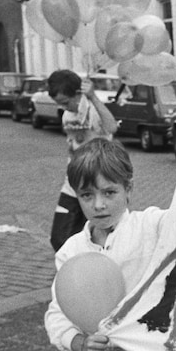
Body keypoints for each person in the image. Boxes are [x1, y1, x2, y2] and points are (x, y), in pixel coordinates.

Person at [44, 139, 176, 351]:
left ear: (128, 188)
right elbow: (57, 312)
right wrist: (77, 342)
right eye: (87, 195)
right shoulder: (71, 251)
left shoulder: (150, 226)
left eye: (109, 192)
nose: (99, 205)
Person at [48, 70, 120, 251]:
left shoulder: (93, 109)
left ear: (78, 93)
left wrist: (93, 96)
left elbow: (111, 127)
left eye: (66, 102)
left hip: (98, 185)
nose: (64, 107)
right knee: (59, 238)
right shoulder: (67, 116)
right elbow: (72, 145)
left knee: (100, 238)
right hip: (73, 185)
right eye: (60, 104)